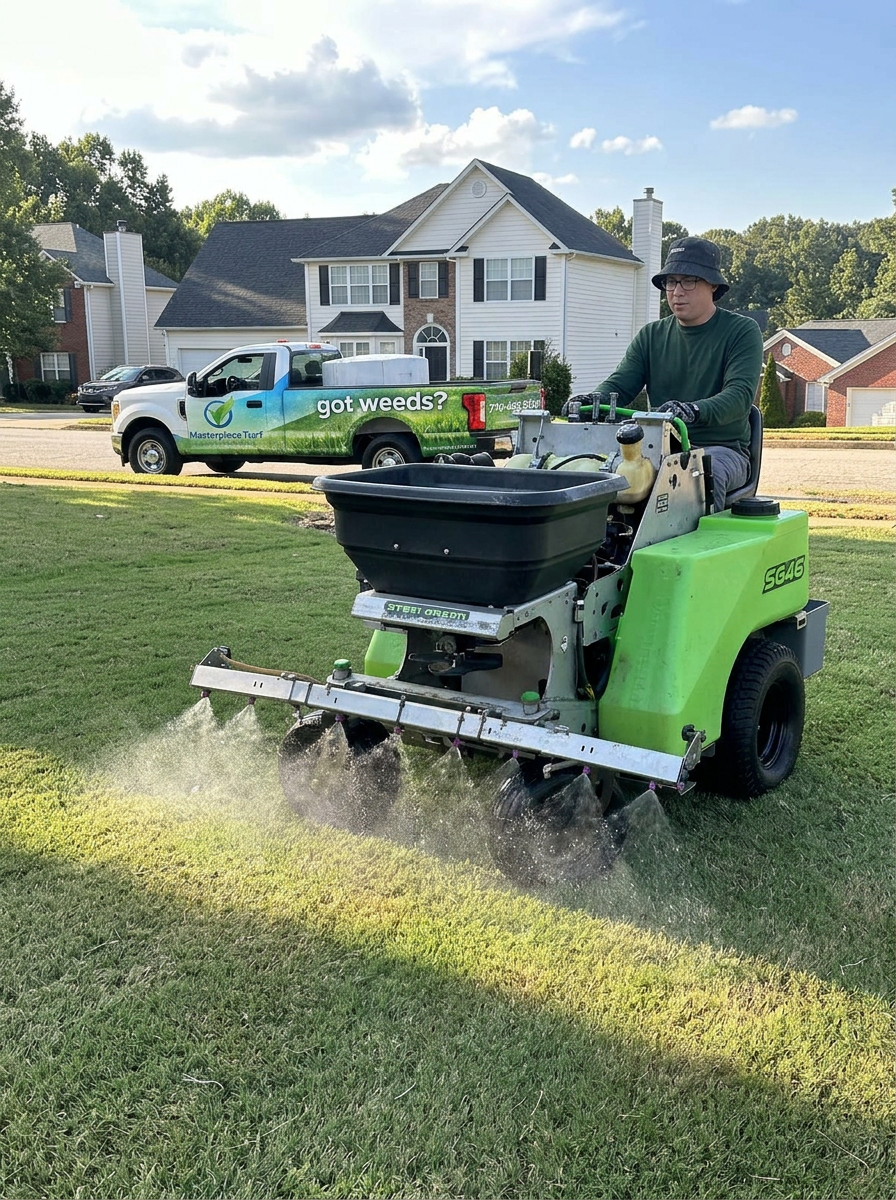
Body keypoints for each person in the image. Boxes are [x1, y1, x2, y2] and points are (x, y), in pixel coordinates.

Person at [590, 236, 763, 510]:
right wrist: (591, 400)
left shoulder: (742, 331)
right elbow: (620, 385)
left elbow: (739, 397)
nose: (677, 291)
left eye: (688, 280)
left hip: (721, 449)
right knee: (596, 473)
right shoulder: (652, 335)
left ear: (713, 285)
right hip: (656, 448)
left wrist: (692, 410)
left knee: (698, 476)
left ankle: (703, 550)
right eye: (671, 282)